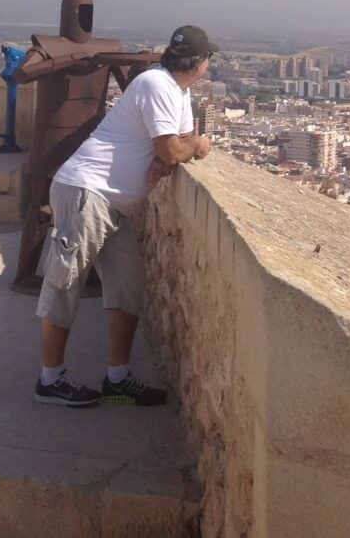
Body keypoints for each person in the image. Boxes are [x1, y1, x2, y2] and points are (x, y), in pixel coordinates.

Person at [34, 24, 217, 408]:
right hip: (87, 191)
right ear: (199, 63)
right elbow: (173, 150)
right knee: (65, 283)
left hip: (113, 204)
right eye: (208, 59)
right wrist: (196, 146)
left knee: (128, 284)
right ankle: (50, 380)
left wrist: (175, 152)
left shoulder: (177, 93)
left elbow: (170, 150)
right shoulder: (156, 85)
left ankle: (117, 380)